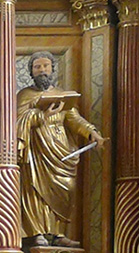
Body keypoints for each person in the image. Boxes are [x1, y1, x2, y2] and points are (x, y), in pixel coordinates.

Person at [16, 51, 104, 240]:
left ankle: (58, 233)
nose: (42, 71)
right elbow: (16, 122)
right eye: (37, 67)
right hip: (37, 150)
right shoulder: (24, 96)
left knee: (65, 188)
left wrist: (92, 133)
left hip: (60, 150)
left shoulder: (62, 95)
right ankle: (37, 232)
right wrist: (42, 115)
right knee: (35, 190)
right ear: (31, 72)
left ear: (52, 69)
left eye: (45, 66)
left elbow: (74, 119)